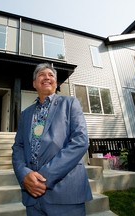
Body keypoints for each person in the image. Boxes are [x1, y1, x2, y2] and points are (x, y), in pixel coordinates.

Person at [12, 63, 93, 216]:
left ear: (56, 83)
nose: (47, 77)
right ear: (34, 83)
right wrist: (24, 175)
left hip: (66, 195)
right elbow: (18, 147)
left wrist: (43, 178)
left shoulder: (70, 104)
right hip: (32, 199)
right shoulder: (25, 114)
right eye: (42, 74)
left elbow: (80, 141)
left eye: (51, 75)